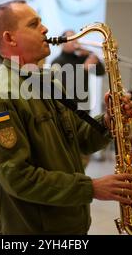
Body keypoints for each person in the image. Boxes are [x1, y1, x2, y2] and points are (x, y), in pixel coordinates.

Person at [0, 0, 132, 234]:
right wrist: (90, 188)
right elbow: (18, 177)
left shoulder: (50, 80)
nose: (45, 29)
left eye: (41, 22)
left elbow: (79, 139)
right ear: (10, 38)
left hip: (68, 221)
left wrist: (108, 121)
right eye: (34, 24)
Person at [51, 29, 106, 166]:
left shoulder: (81, 58)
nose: (74, 42)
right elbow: (63, 86)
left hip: (84, 109)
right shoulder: (57, 62)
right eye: (70, 39)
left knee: (83, 149)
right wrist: (84, 69)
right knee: (68, 150)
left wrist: (92, 56)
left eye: (75, 39)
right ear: (62, 43)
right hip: (66, 111)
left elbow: (100, 72)